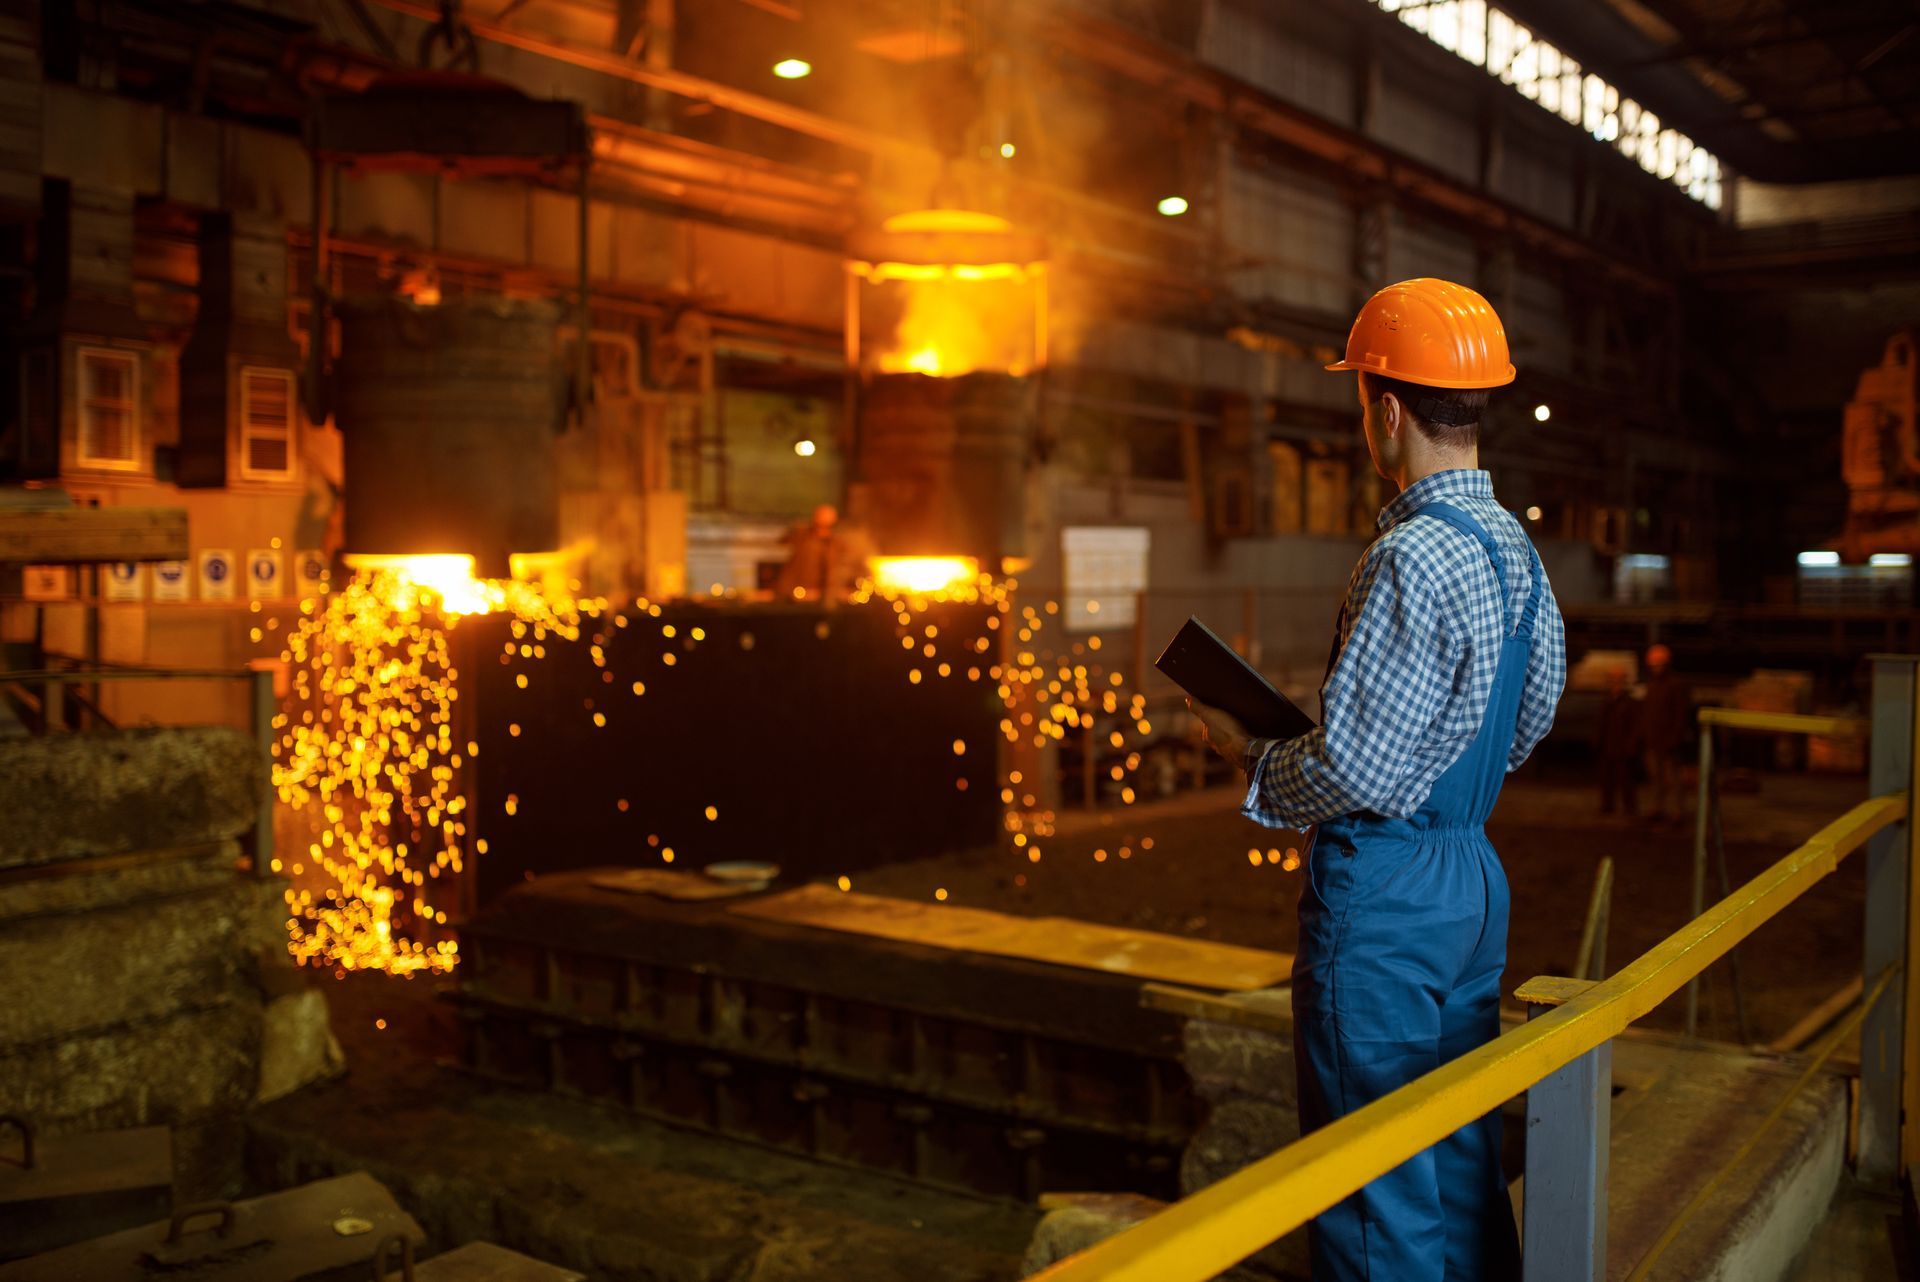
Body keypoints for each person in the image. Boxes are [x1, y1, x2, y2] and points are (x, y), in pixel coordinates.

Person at [1188, 278, 1566, 1282]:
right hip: (1470, 881)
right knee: (1454, 1152)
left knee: (1372, 1183)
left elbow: (1358, 764)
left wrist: (1257, 758)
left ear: (1386, 409)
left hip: (1390, 894)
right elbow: (1527, 722)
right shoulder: (1516, 553)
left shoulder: (1409, 554)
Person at [773, 504, 870, 600]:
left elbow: (847, 568)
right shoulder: (801, 537)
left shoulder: (838, 544)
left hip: (824, 597)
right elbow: (780, 545)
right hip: (796, 594)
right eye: (821, 517)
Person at [1641, 643, 1690, 822]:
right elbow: (1647, 713)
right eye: (1653, 665)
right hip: (1653, 741)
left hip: (1669, 743)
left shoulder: (1676, 686)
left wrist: (1675, 739)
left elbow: (1680, 715)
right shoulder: (1652, 686)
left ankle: (1676, 812)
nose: (1656, 668)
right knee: (1656, 779)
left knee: (1673, 779)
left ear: (1667, 664)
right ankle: (1658, 808)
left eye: (1659, 664)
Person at [1596, 666, 1643, 817]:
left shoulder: (1630, 703)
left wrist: (1631, 744)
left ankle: (1630, 807)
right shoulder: (1607, 701)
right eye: (1613, 680)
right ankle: (1607, 805)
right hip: (1608, 745)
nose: (1615, 683)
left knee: (1626, 780)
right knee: (1607, 779)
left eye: (1619, 680)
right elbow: (1601, 723)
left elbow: (1635, 725)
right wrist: (1598, 740)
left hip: (1623, 747)